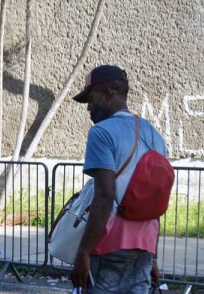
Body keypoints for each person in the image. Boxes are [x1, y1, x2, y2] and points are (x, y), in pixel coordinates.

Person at [69, 65, 166, 293]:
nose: (89, 107)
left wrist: (83, 253)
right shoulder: (154, 134)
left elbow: (105, 195)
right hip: (143, 248)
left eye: (91, 99)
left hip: (108, 246)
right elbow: (156, 200)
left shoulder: (101, 133)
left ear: (109, 92)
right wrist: (153, 257)